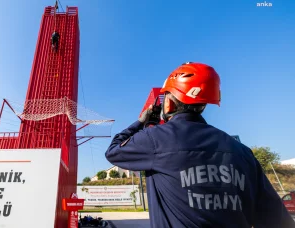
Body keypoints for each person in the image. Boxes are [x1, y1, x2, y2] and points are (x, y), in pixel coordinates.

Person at [105, 62, 295, 228]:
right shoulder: (243, 152)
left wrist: (140, 123)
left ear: (169, 104)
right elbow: (279, 222)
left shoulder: (155, 139)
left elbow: (114, 150)